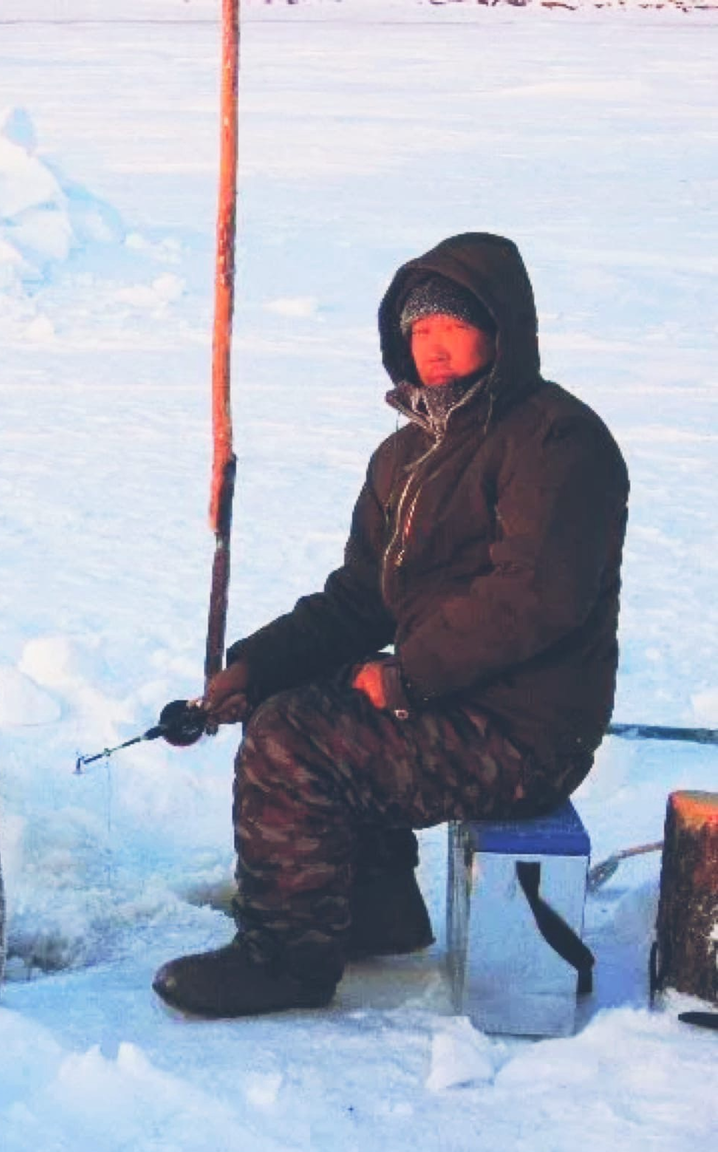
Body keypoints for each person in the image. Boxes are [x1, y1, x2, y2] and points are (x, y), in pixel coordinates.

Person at [153, 231, 629, 1018]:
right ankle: (373, 907)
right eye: (420, 329)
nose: (434, 346)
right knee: (288, 700)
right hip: (453, 697)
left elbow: (536, 595)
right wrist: (255, 668)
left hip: (526, 730)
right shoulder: (406, 455)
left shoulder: (556, 440)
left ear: (502, 329)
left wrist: (410, 677)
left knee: (295, 741)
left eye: (453, 325)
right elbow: (358, 600)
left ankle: (285, 961)